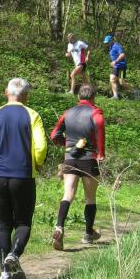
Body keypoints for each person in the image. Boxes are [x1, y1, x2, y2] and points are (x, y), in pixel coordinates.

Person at [0, 78, 47, 279]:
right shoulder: (32, 115)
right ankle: (14, 255)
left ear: (6, 92)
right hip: (23, 176)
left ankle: (4, 276)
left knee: (3, 226)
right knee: (23, 223)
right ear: (26, 96)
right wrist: (37, 162)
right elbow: (41, 148)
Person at [49, 84, 105, 249]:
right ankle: (88, 234)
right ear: (93, 97)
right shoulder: (95, 113)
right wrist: (101, 154)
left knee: (68, 194)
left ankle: (59, 227)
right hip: (89, 159)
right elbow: (100, 131)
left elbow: (54, 135)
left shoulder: (67, 113)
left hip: (70, 158)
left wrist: (66, 144)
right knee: (90, 198)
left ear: (79, 97)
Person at [103, 34, 131, 99]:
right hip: (116, 67)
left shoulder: (117, 46)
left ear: (111, 40)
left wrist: (115, 61)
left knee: (122, 82)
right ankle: (115, 96)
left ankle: (134, 91)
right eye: (106, 42)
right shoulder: (111, 46)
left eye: (108, 42)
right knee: (112, 79)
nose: (107, 44)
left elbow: (122, 54)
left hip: (121, 66)